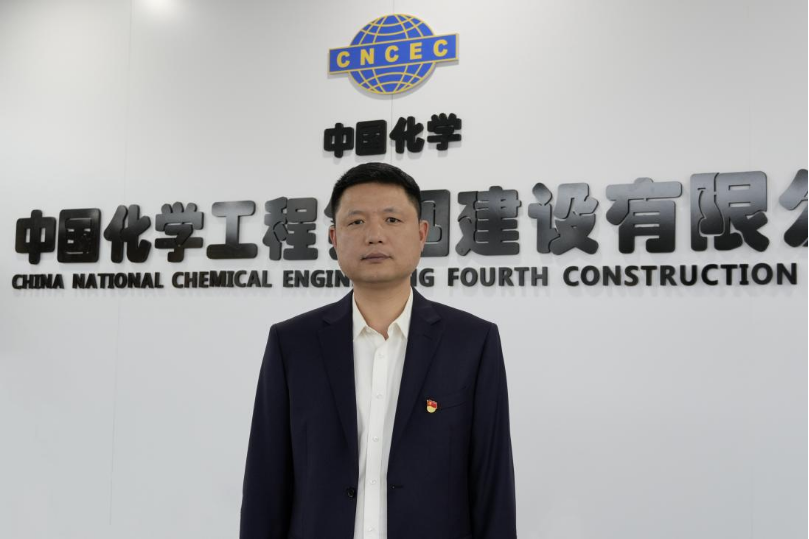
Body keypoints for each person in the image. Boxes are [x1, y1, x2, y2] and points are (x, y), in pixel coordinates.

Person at [240, 162, 517, 539]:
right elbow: (265, 482)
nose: (374, 235)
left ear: (422, 234)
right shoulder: (292, 343)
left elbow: (492, 483)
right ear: (334, 238)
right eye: (356, 222)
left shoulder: (472, 342)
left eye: (391, 219)